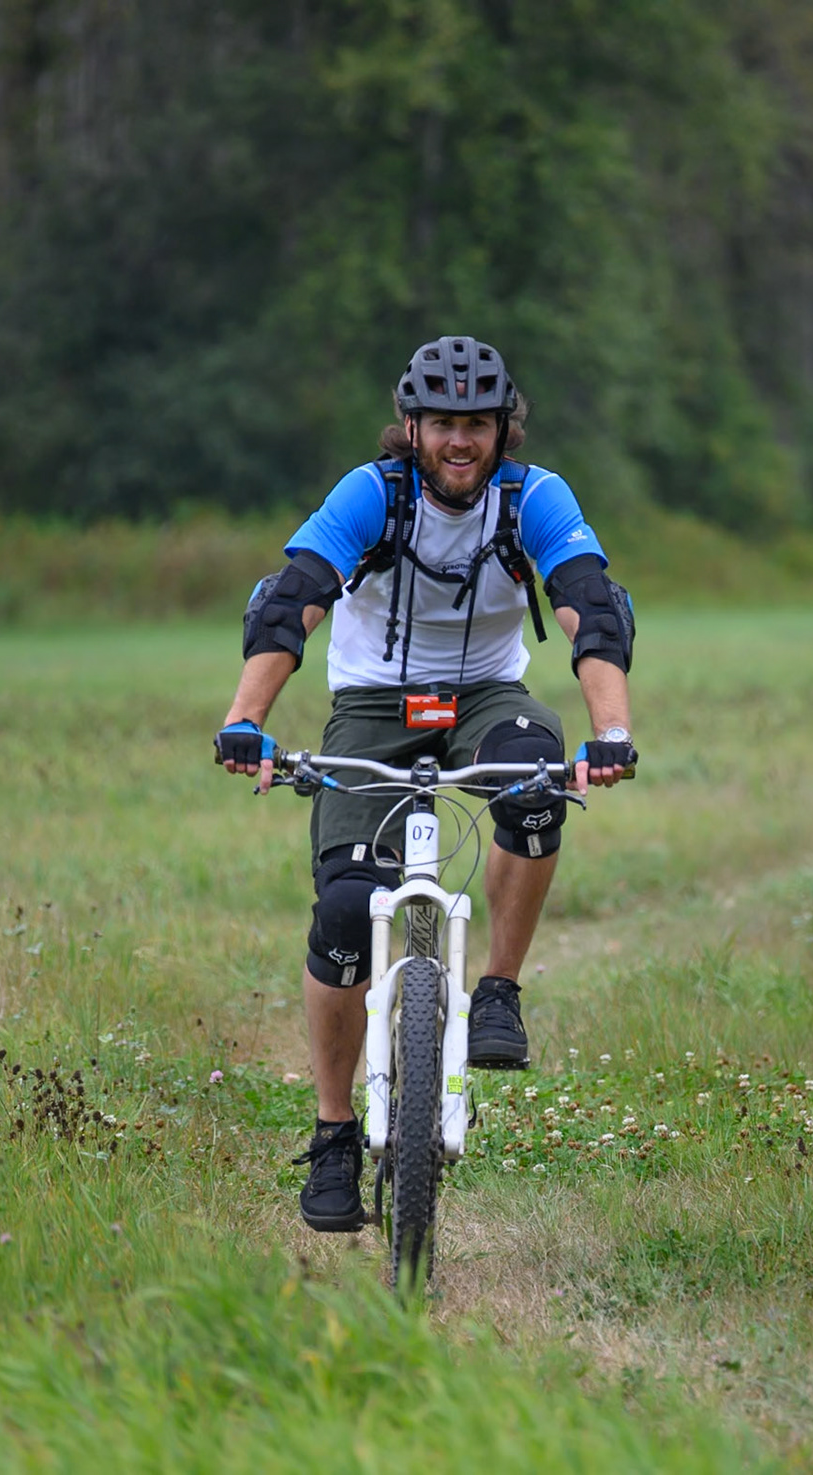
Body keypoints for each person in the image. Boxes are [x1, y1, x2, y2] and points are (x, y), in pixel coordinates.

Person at [214, 335, 639, 1232]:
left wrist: (611, 733)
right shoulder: (372, 494)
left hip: (486, 696)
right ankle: (335, 1133)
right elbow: (293, 601)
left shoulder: (534, 498)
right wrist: (246, 720)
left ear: (502, 429)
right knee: (344, 910)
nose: (459, 441)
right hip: (374, 702)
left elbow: (592, 608)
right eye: (442, 423)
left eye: (477, 424)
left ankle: (499, 992)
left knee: (535, 782)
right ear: (410, 426)